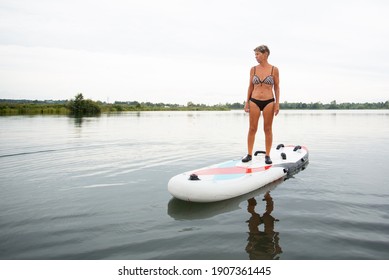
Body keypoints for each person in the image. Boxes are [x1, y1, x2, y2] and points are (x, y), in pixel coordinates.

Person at [242, 45, 280, 164]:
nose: (256, 57)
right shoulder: (253, 69)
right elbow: (250, 86)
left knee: (267, 129)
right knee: (252, 128)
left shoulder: (274, 69)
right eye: (255, 55)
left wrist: (277, 103)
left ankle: (267, 155)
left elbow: (277, 87)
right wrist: (246, 102)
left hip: (269, 101)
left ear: (265, 54)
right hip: (254, 100)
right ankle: (249, 154)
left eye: (257, 54)